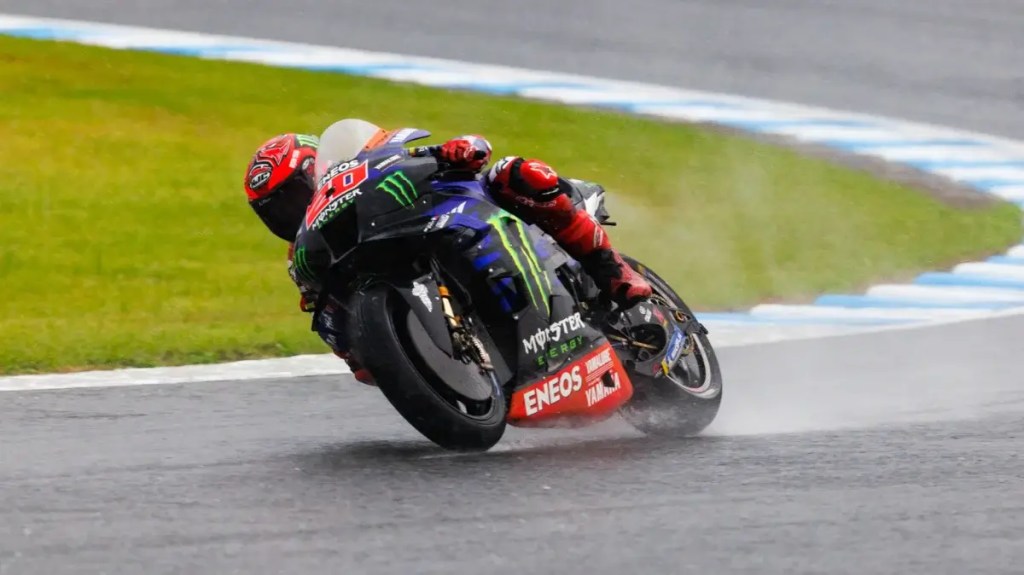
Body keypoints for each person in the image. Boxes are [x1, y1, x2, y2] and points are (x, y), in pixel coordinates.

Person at [243, 129, 652, 382]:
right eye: (275, 210)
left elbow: (471, 148)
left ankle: (612, 271)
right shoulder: (304, 255)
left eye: (294, 194)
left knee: (513, 173)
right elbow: (334, 331)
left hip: (450, 211)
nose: (289, 211)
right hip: (383, 255)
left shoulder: (363, 169)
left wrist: (454, 152)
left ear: (318, 168)